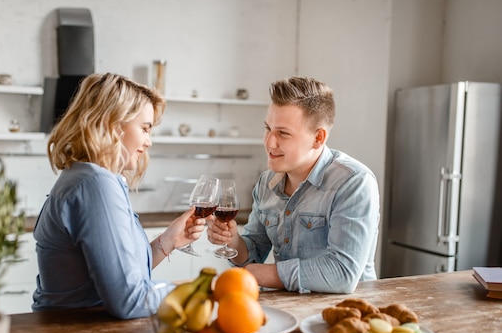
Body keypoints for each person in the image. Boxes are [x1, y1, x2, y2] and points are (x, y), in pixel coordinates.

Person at [32, 73, 206, 319]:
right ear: (113, 124)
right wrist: (201, 292)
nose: (148, 142)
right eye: (145, 129)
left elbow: (119, 275)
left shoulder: (89, 178)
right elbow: (130, 300)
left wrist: (169, 240)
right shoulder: (95, 185)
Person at [207, 76, 380, 294]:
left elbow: (342, 273)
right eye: (268, 128)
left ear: (318, 138)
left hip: (349, 315)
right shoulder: (266, 183)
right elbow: (252, 255)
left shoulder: (354, 182)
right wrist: (233, 240)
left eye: (283, 133)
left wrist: (258, 274)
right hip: (289, 310)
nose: (269, 142)